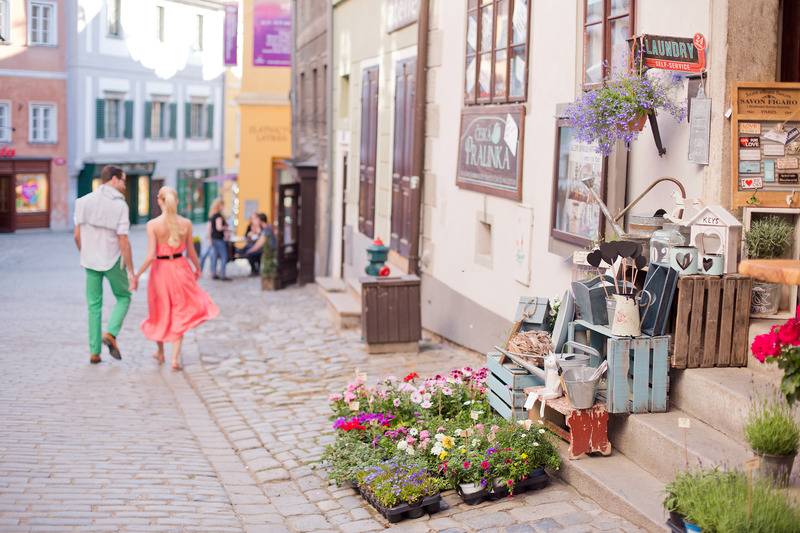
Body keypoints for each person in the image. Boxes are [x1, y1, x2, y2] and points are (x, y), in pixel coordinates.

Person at [134, 187, 219, 371]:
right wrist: (198, 268)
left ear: (159, 200)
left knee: (159, 310)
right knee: (179, 311)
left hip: (160, 271)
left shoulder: (153, 225)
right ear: (177, 201)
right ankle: (174, 359)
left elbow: (150, 256)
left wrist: (137, 275)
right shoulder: (186, 223)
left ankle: (161, 352)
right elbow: (191, 252)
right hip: (181, 269)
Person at [73, 165, 136, 365]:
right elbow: (123, 239)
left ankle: (94, 352)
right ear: (114, 179)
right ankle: (111, 333)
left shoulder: (83, 202)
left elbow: (77, 235)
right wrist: (131, 270)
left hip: (90, 259)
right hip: (112, 259)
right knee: (124, 297)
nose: (125, 185)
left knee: (93, 306)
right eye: (123, 180)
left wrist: (84, 253)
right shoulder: (120, 205)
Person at [208, 198, 231, 281]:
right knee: (224, 256)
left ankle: (213, 273)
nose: (223, 207)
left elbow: (210, 228)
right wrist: (226, 227)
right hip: (219, 238)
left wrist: (210, 238)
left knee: (214, 256)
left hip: (214, 238)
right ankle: (222, 274)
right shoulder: (218, 216)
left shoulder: (212, 215)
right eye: (223, 205)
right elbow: (219, 228)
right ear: (219, 205)